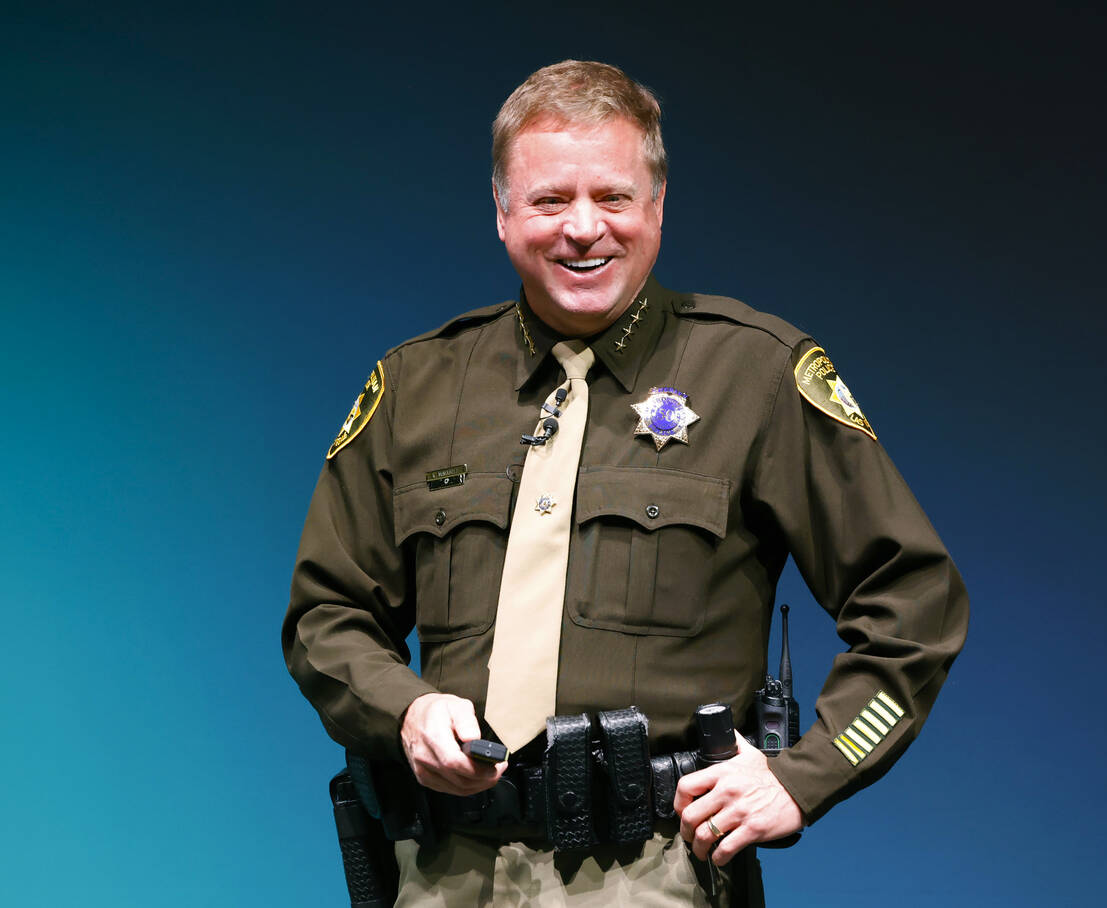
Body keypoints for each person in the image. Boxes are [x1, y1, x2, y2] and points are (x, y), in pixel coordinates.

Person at [283, 60, 968, 906]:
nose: (583, 229)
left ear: (657, 205)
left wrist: (808, 774)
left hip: (657, 873)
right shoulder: (416, 386)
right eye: (549, 200)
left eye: (612, 197)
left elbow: (916, 603)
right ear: (501, 212)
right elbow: (326, 614)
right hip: (444, 871)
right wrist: (405, 710)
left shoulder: (755, 374)